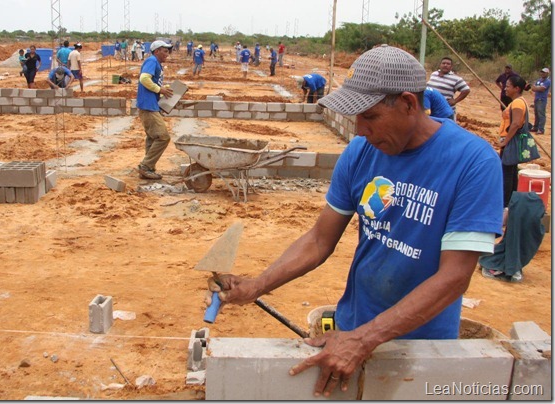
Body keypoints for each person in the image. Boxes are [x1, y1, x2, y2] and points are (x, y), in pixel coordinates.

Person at [206, 45, 503, 397]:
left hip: (421, 348)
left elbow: (454, 277)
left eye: (370, 117)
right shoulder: (362, 152)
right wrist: (257, 285)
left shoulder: (472, 162)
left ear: (409, 104)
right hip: (350, 328)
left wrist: (364, 340)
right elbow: (319, 240)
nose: (360, 130)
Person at [480, 191, 545, 283]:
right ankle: (510, 266)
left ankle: (511, 266)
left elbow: (501, 223)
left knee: (517, 241)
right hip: (522, 211)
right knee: (515, 242)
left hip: (522, 212)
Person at [136, 40, 174, 180]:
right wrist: (160, 89)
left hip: (150, 104)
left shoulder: (156, 63)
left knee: (153, 137)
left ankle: (148, 169)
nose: (167, 54)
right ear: (157, 51)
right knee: (163, 137)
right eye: (165, 51)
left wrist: (164, 89)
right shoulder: (152, 60)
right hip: (148, 106)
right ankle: (146, 166)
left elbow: (152, 81)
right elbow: (144, 78)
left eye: (168, 51)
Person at [498, 75, 530, 208]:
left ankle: (505, 203)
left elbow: (516, 123)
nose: (505, 89)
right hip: (510, 141)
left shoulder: (517, 103)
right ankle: (510, 202)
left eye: (508, 86)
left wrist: (505, 141)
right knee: (511, 172)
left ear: (516, 88)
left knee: (506, 173)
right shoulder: (518, 101)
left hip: (510, 142)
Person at [529, 68, 551, 135]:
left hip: (542, 99)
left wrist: (536, 88)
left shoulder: (548, 81)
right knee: (536, 114)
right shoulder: (539, 80)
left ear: (547, 73)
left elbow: (542, 89)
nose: (542, 73)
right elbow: (533, 88)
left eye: (544, 72)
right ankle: (535, 127)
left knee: (541, 114)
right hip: (536, 98)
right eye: (541, 72)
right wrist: (536, 88)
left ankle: (541, 129)